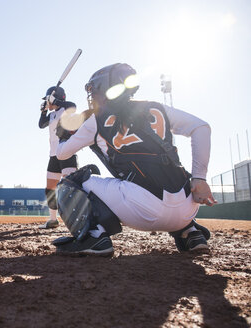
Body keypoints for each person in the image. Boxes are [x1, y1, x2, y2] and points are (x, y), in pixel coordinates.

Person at [53, 63, 216, 256]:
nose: (92, 96)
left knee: (70, 183)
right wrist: (199, 177)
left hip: (143, 211)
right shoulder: (156, 108)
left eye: (93, 91)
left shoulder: (96, 120)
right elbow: (201, 127)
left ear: (102, 88)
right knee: (165, 175)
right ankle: (190, 232)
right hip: (188, 207)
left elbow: (62, 154)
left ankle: (94, 237)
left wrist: (63, 135)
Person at [38, 86, 78, 229]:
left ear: (54, 98)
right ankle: (53, 219)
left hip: (66, 152)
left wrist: (55, 100)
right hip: (53, 155)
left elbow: (72, 105)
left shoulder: (66, 110)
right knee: (50, 189)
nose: (47, 102)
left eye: (47, 100)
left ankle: (78, 220)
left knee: (72, 188)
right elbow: (41, 125)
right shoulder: (52, 114)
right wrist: (43, 112)